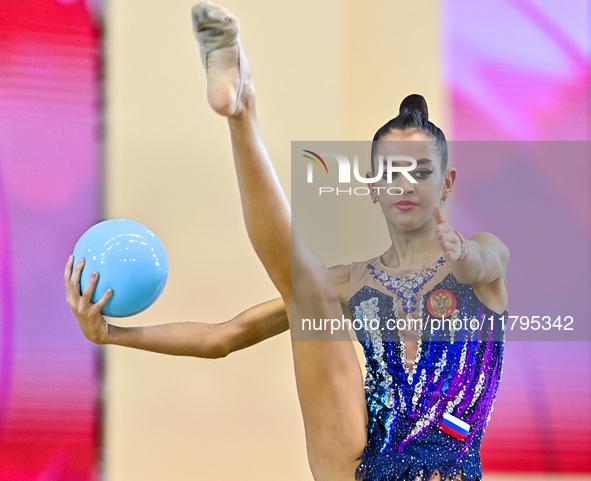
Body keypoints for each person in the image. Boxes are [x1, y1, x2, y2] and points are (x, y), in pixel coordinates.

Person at [64, 2, 509, 480]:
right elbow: (223, 337)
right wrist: (111, 335)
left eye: (421, 172)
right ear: (373, 186)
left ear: (447, 183)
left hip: (450, 469)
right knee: (308, 288)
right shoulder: (350, 282)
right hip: (360, 465)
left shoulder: (485, 260)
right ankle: (240, 108)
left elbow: (481, 263)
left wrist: (462, 255)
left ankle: (243, 105)